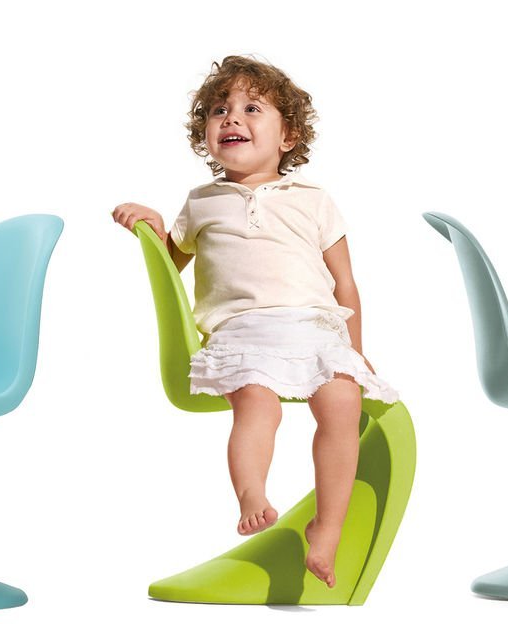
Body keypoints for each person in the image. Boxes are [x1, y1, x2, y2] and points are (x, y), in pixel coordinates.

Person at [112, 55, 399, 588]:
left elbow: (345, 283)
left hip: (314, 329)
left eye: (251, 109)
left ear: (288, 136)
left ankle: (328, 528)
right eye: (218, 110)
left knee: (342, 404)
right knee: (256, 404)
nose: (231, 118)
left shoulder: (314, 201)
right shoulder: (202, 202)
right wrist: (154, 226)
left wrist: (355, 353)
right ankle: (251, 495)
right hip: (242, 330)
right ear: (206, 134)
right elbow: (171, 266)